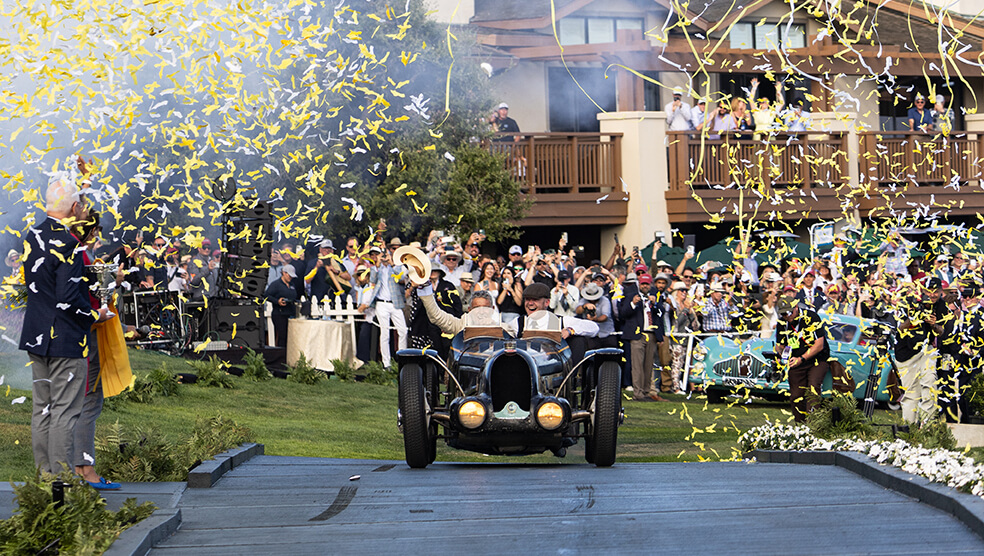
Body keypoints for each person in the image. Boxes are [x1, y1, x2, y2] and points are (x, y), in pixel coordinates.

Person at [21, 176, 110, 476]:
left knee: (41, 409)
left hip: (35, 336)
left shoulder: (31, 236)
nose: (84, 209)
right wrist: (96, 316)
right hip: (65, 340)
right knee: (64, 411)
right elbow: (68, 300)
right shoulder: (70, 244)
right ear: (73, 208)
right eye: (82, 205)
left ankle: (44, 479)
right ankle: (62, 487)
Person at [71, 208, 121, 490]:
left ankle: (79, 466)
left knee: (80, 403)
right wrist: (113, 283)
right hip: (87, 334)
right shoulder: (82, 255)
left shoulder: (71, 250)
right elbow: (90, 296)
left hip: (77, 334)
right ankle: (85, 470)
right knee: (88, 403)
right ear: (91, 231)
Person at [894, 278, 947, 424]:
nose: (933, 295)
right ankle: (909, 429)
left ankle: (926, 426)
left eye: (936, 292)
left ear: (941, 292)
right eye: (929, 291)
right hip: (905, 352)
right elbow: (899, 328)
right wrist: (914, 318)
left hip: (926, 349)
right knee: (911, 392)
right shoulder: (908, 301)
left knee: (930, 383)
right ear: (922, 290)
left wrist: (934, 324)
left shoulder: (941, 305)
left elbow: (942, 331)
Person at [774, 297, 830, 423]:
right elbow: (781, 345)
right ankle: (801, 427)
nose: (786, 316)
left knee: (813, 389)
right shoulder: (782, 323)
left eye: (788, 313)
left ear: (796, 308)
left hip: (817, 359)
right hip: (796, 361)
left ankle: (813, 425)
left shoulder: (812, 317)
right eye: (783, 314)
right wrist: (779, 356)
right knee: (796, 396)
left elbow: (819, 344)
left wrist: (802, 358)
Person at [620, 274, 666, 402]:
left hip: (651, 334)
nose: (645, 286)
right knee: (637, 365)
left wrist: (655, 304)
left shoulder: (655, 296)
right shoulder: (631, 296)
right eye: (643, 284)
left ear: (650, 284)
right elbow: (622, 314)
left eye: (647, 284)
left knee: (648, 365)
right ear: (639, 285)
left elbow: (661, 314)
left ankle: (646, 392)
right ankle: (638, 393)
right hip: (637, 335)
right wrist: (633, 304)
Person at [370, 247, 408, 368]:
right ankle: (386, 364)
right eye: (383, 256)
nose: (384, 258)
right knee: (385, 334)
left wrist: (392, 263)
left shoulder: (396, 267)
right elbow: (372, 280)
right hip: (381, 303)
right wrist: (378, 263)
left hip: (395, 303)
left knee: (403, 330)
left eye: (386, 255)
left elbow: (401, 277)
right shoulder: (377, 268)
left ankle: (402, 359)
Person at [265, 263, 299, 347]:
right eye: (289, 275)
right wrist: (277, 301)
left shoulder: (292, 285)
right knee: (282, 335)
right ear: (284, 273)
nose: (290, 278)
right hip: (279, 313)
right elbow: (266, 295)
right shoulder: (276, 284)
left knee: (290, 336)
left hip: (290, 313)